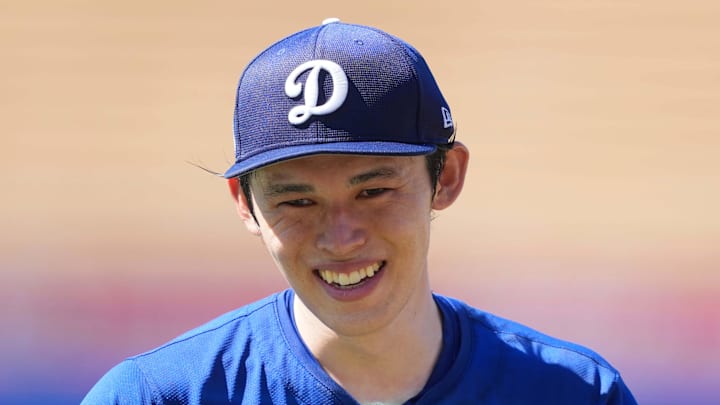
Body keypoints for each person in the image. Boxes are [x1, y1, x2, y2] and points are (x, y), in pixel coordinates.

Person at [82, 18, 637, 404]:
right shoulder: (156, 396)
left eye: (373, 192)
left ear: (445, 177)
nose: (341, 237)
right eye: (298, 200)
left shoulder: (574, 392)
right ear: (245, 203)